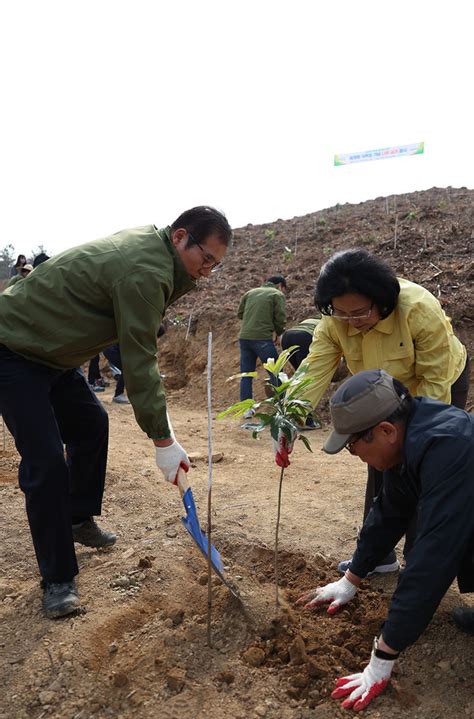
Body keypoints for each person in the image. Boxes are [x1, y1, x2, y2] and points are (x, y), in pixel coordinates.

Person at [0, 206, 232, 619]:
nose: (207, 272)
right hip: (14, 349)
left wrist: (165, 432)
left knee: (91, 423)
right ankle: (57, 579)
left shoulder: (156, 254)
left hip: (52, 354)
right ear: (180, 237)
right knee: (47, 462)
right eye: (206, 259)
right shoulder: (145, 268)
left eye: (215, 264)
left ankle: (76, 517)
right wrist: (164, 440)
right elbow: (139, 359)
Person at [276, 249, 469, 574]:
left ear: (382, 301)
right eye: (341, 313)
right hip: (380, 393)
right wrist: (290, 417)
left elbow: (435, 382)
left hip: (436, 383)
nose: (351, 322)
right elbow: (315, 368)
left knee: (422, 467)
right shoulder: (334, 320)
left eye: (360, 312)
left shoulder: (419, 310)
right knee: (378, 462)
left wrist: (416, 440)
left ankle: (419, 559)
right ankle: (379, 556)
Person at [297, 369, 474, 711]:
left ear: (385, 431)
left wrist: (383, 655)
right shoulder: (409, 438)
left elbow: (432, 560)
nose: (354, 455)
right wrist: (351, 579)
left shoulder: (450, 448)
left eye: (353, 446)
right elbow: (389, 513)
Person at [237, 275, 287, 417]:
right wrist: (279, 333)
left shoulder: (250, 293)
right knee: (277, 372)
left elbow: (240, 314)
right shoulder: (277, 294)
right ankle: (281, 407)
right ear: (280, 286)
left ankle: (246, 410)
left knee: (246, 375)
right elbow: (280, 317)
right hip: (263, 339)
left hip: (244, 338)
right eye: (284, 289)